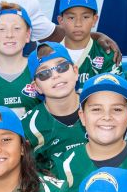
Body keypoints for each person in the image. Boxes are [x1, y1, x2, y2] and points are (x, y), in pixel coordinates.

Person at [49, 72, 127, 190]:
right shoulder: (61, 168)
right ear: (82, 117)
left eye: (117, 109)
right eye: (97, 109)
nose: (107, 116)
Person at [21, 42, 86, 173]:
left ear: (75, 71)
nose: (56, 75)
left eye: (62, 66)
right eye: (44, 73)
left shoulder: (100, 108)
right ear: (36, 87)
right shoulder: (27, 127)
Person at [55, 0, 121, 85]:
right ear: (61, 21)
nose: (78, 24)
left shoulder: (107, 55)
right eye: (71, 18)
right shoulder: (49, 55)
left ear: (94, 20)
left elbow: (114, 93)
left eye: (85, 17)